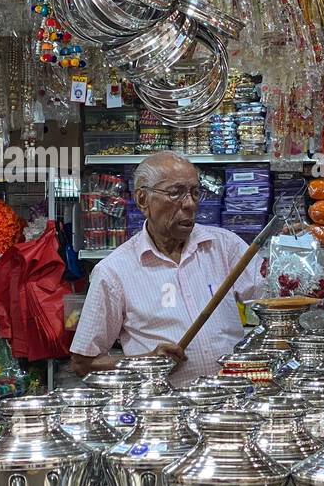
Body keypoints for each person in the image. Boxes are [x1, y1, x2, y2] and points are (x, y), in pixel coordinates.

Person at [69, 151, 260, 385]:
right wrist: (147, 363)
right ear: (142, 200)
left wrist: (292, 270)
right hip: (164, 411)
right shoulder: (113, 271)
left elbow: (270, 297)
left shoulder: (224, 246)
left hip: (233, 400)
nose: (189, 204)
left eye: (195, 192)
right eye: (175, 193)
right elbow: (83, 362)